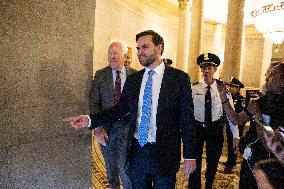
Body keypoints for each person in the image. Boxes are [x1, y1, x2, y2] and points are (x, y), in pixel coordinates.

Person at [64, 30, 196, 189]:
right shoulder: (134, 80)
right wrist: (90, 120)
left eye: (145, 47)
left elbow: (187, 119)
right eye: (138, 48)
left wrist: (190, 155)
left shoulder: (178, 78)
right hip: (137, 152)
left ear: (159, 48)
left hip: (165, 153)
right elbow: (119, 110)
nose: (140, 52)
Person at [218, 63, 284, 189]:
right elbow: (236, 119)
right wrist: (224, 100)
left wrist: (258, 116)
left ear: (282, 81)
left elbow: (269, 143)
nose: (266, 78)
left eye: (272, 74)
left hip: (271, 163)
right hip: (250, 157)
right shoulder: (262, 101)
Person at [89, 40, 136, 189]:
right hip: (106, 130)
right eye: (109, 53)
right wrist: (98, 128)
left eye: (115, 53)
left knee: (124, 167)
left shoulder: (135, 75)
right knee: (110, 168)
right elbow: (94, 103)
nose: (112, 56)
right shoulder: (100, 75)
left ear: (124, 55)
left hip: (127, 129)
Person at [188, 53, 239, 189]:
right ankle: (195, 186)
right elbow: (188, 112)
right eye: (203, 68)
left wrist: (235, 135)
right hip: (197, 129)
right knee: (195, 160)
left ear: (215, 69)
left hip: (215, 129)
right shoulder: (194, 88)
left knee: (213, 161)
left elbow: (230, 113)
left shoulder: (223, 89)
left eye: (209, 67)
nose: (206, 71)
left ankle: (209, 183)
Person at [224, 77, 246, 173]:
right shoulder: (229, 98)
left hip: (237, 126)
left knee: (235, 144)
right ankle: (230, 160)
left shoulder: (241, 100)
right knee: (229, 143)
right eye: (230, 86)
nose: (230, 88)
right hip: (229, 125)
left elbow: (243, 116)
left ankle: (232, 163)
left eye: (233, 87)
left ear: (238, 88)